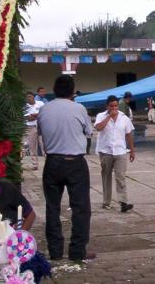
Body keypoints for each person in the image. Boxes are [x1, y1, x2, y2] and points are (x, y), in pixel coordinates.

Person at [37, 74, 94, 262]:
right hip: (75, 162)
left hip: (52, 162)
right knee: (80, 208)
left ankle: (55, 251)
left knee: (52, 208)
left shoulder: (44, 109)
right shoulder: (79, 108)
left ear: (54, 90)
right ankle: (77, 251)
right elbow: (89, 132)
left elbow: (41, 133)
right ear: (72, 90)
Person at [95, 95, 136, 213]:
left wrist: (132, 150)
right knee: (106, 176)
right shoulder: (101, 116)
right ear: (107, 106)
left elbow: (128, 134)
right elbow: (98, 128)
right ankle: (106, 202)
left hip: (120, 152)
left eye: (116, 106)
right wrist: (109, 117)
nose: (114, 108)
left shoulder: (124, 118)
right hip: (106, 152)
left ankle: (123, 202)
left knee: (121, 177)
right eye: (111, 106)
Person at [24, 92, 44, 170]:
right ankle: (35, 164)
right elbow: (29, 118)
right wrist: (38, 115)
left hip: (42, 126)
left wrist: (34, 115)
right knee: (33, 147)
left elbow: (45, 113)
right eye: (27, 97)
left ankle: (48, 162)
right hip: (31, 127)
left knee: (45, 145)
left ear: (33, 97)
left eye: (30, 96)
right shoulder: (25, 107)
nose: (29, 98)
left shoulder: (40, 103)